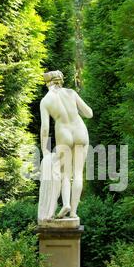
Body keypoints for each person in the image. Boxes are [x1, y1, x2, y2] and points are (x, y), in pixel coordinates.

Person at [39, 70, 93, 219]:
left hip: (63, 133)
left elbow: (45, 128)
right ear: (61, 81)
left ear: (47, 83)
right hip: (80, 131)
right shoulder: (70, 93)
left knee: (64, 173)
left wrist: (44, 149)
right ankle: (74, 212)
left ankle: (66, 204)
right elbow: (89, 113)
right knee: (77, 174)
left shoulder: (46, 100)